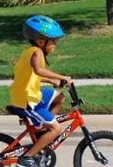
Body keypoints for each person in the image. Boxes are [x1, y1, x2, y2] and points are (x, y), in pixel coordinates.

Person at [9, 15, 72, 167]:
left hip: (28, 94)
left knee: (59, 97)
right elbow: (38, 70)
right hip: (28, 100)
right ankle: (27, 158)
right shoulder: (36, 52)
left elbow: (30, 76)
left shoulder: (29, 51)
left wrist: (52, 81)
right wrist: (62, 76)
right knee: (56, 129)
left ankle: (41, 130)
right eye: (53, 41)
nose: (55, 44)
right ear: (40, 41)